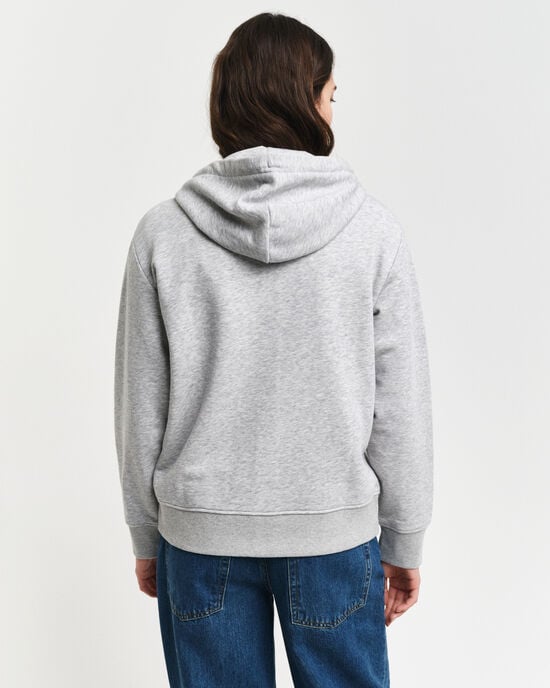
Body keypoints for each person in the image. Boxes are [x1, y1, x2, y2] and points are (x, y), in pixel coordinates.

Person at [114, 11, 434, 688]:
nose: (332, 108)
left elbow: (141, 408)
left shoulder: (163, 234)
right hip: (333, 536)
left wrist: (147, 533)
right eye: (331, 94)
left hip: (200, 539)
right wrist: (404, 537)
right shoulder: (373, 233)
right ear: (306, 101)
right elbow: (400, 408)